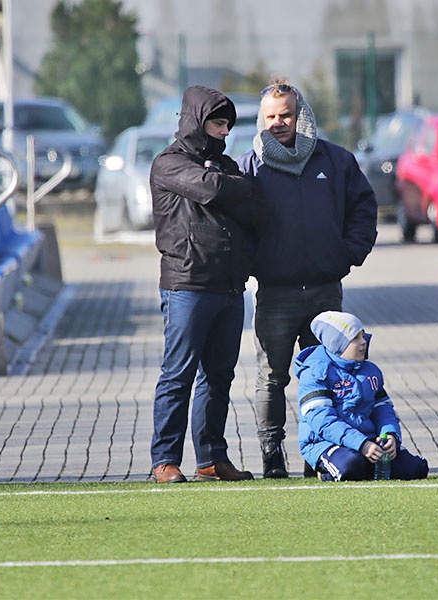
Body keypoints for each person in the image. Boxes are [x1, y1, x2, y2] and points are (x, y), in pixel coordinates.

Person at [238, 80, 378, 479]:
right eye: (271, 117)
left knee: (330, 376)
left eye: (286, 115)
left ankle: (320, 452)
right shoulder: (250, 167)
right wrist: (253, 262)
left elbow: (364, 209)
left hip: (324, 291)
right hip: (276, 293)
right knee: (272, 377)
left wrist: (347, 254)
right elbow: (234, 226)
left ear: (302, 115)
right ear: (261, 120)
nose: (279, 123)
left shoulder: (336, 161)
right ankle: (271, 455)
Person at [149, 85, 263, 483]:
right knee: (177, 374)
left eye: (228, 125)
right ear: (198, 122)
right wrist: (228, 185)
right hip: (187, 285)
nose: (225, 132)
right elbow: (212, 189)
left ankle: (212, 459)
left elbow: (254, 202)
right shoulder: (168, 163)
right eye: (218, 123)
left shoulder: (226, 164)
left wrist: (229, 184)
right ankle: (164, 459)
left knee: (219, 377)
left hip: (229, 287)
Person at [295, 311, 428, 481]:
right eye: (355, 338)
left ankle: (370, 465)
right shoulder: (315, 372)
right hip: (326, 443)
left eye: (363, 336)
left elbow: (383, 409)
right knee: (352, 468)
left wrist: (390, 435)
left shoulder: (370, 371)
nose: (363, 342)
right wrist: (361, 444)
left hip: (368, 442)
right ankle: (325, 473)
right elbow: (323, 422)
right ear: (337, 344)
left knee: (416, 469)